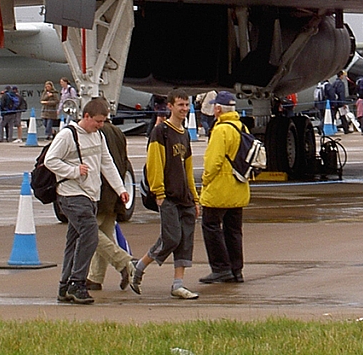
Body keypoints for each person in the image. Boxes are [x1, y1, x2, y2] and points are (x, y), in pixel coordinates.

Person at [44, 98, 129, 305]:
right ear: (86, 116)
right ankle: (77, 283)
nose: (101, 125)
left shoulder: (98, 136)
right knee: (90, 234)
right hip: (71, 195)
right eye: (98, 121)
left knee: (74, 241)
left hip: (91, 196)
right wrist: (74, 171)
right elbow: (50, 160)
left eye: (104, 121)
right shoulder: (68, 135)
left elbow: (106, 163)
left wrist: (120, 189)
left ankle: (65, 286)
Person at [130, 90, 201, 299]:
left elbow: (188, 167)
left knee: (185, 240)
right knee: (171, 237)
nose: (184, 109)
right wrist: (158, 192)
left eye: (186, 105)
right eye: (180, 105)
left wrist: (195, 197)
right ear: (169, 106)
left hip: (184, 196)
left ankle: (178, 284)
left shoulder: (185, 134)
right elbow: (154, 163)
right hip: (168, 195)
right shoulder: (160, 132)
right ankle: (139, 266)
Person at [199, 91, 250, 284]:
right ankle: (236, 269)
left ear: (218, 109)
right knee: (234, 230)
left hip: (220, 188)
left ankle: (220, 267)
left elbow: (213, 161)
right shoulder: (241, 126)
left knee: (211, 226)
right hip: (239, 186)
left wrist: (205, 180)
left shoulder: (220, 130)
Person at [86, 118, 135, 292]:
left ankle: (124, 262)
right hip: (116, 189)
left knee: (88, 232)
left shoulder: (95, 134)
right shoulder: (118, 133)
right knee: (105, 233)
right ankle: (95, 278)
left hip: (100, 191)